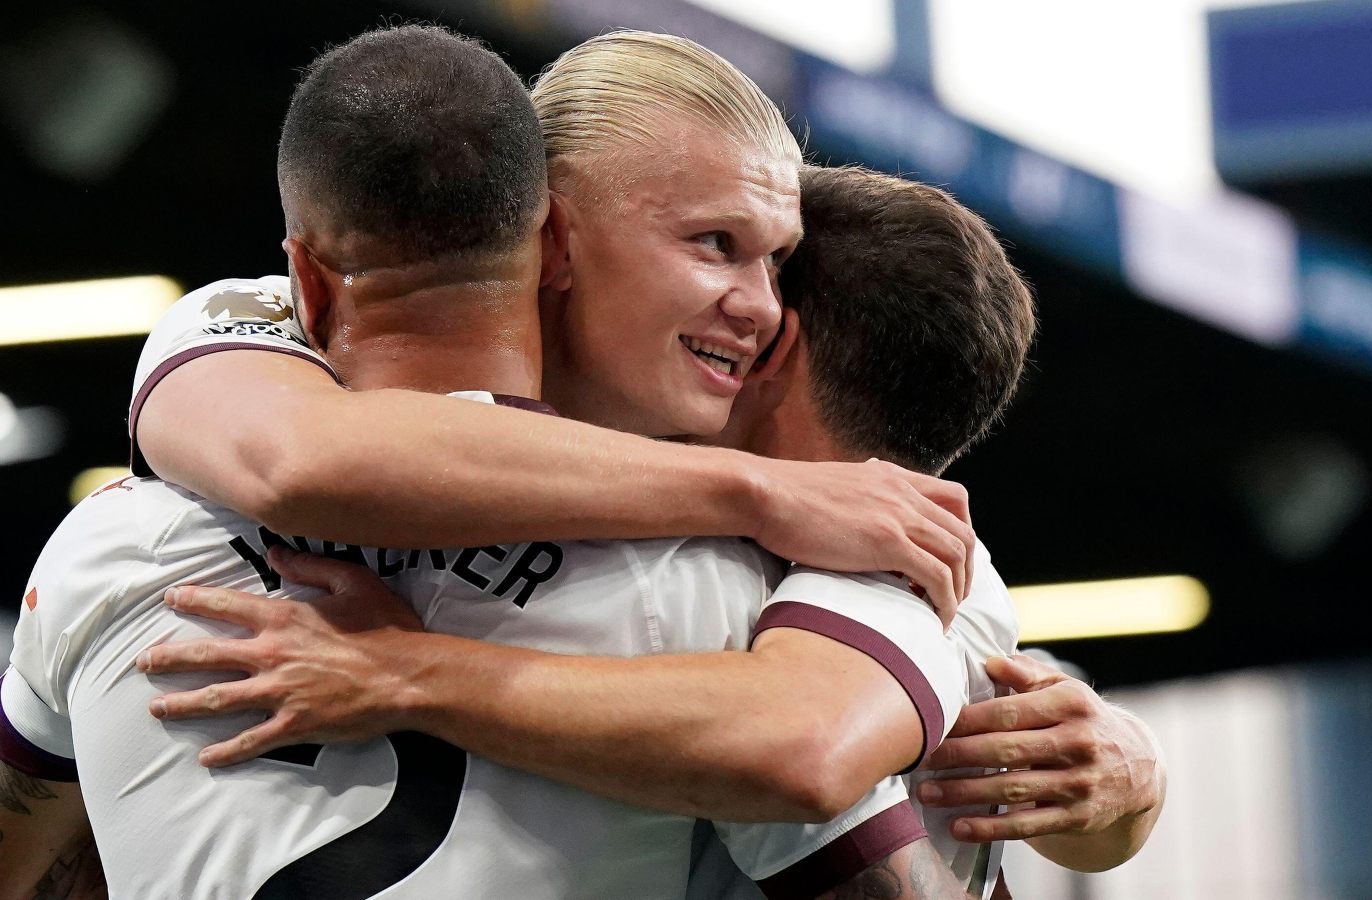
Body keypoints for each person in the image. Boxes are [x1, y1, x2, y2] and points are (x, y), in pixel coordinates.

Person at [1, 26, 1162, 900]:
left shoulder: (128, 536)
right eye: (714, 244)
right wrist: (757, 488)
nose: (751, 306)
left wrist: (1129, 781)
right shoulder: (734, 565)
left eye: (774, 263)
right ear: (549, 232)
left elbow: (802, 745)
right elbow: (298, 458)